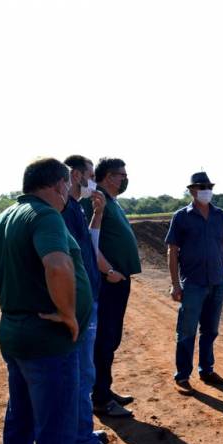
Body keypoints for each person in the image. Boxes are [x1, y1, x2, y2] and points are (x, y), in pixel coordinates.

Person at [0, 158, 93, 444]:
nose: (70, 191)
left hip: (18, 337)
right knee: (54, 436)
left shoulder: (6, 216)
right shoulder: (45, 215)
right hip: (48, 343)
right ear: (56, 185)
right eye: (67, 184)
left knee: (20, 425)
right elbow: (57, 265)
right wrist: (68, 314)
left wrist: (11, 301)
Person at [62, 155, 125, 444]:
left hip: (89, 299)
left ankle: (81, 431)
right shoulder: (62, 210)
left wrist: (97, 214)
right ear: (75, 176)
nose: (92, 182)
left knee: (84, 373)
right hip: (80, 305)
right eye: (89, 175)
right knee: (82, 375)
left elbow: (88, 243)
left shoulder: (76, 208)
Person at [82, 157, 142, 417]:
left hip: (118, 280)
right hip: (108, 281)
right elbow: (89, 240)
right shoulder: (95, 200)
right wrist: (110, 271)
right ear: (108, 176)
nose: (125, 178)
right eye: (121, 174)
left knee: (111, 338)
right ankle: (101, 399)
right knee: (105, 339)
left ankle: (103, 389)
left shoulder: (110, 201)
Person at [165, 171, 223, 395]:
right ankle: (182, 376)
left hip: (216, 281)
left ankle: (207, 370)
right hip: (193, 283)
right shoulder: (181, 216)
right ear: (192, 190)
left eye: (209, 186)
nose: (206, 190)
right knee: (186, 331)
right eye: (201, 186)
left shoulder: (220, 215)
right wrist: (175, 284)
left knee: (210, 330)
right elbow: (172, 251)